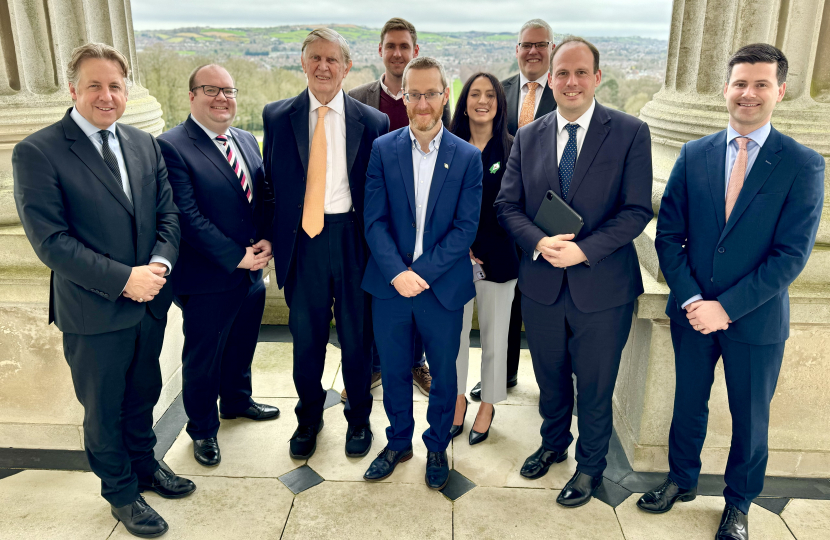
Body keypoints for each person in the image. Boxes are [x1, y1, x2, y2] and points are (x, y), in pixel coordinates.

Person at [640, 43, 824, 540]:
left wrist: (728, 308)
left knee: (750, 418)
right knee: (687, 405)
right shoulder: (693, 153)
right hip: (694, 312)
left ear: (780, 92)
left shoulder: (802, 164)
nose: (749, 93)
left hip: (755, 319)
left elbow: (791, 255)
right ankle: (680, 481)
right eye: (740, 83)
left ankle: (738, 504)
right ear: (726, 89)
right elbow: (669, 236)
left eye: (761, 84)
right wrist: (695, 300)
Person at [13, 43, 194, 538]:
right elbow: (52, 243)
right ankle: (119, 492)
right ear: (73, 90)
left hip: (150, 302)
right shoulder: (37, 151)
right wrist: (124, 279)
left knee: (144, 394)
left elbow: (169, 215)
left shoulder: (143, 143)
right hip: (94, 312)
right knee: (103, 406)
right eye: (94, 85)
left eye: (115, 85)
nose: (106, 95)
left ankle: (143, 466)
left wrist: (157, 265)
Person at [495, 36, 653, 507]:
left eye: (581, 72)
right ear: (550, 78)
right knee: (551, 376)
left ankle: (590, 467)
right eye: (562, 73)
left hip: (603, 288)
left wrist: (583, 251)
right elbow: (508, 205)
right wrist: (540, 242)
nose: (571, 81)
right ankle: (553, 443)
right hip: (543, 284)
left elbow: (635, 211)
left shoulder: (629, 132)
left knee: (597, 385)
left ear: (597, 78)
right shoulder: (529, 135)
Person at [262, 28, 389, 461]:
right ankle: (308, 417)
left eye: (332, 59)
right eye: (315, 58)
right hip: (303, 244)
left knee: (357, 340)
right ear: (303, 63)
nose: (323, 66)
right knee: (307, 340)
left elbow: (380, 193)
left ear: (347, 67)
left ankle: (358, 418)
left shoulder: (373, 122)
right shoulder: (277, 117)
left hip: (353, 242)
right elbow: (270, 188)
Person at [361, 56, 482, 490]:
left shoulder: (467, 157)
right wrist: (398, 273)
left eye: (432, 93)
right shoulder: (383, 148)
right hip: (390, 286)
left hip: (441, 288)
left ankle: (435, 446)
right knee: (393, 370)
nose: (423, 103)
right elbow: (372, 220)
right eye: (415, 94)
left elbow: (465, 227)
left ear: (445, 94)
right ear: (404, 96)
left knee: (444, 376)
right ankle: (398, 443)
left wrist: (422, 274)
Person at [157, 64, 278, 469]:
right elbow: (186, 216)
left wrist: (266, 239)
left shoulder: (245, 139)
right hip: (209, 276)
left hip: (251, 271)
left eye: (229, 90)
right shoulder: (172, 145)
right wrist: (236, 255)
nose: (222, 98)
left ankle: (238, 403)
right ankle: (203, 430)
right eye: (212, 90)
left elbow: (259, 197)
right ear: (192, 96)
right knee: (203, 358)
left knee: (242, 344)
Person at [346, 17, 448, 400]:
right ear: (381, 50)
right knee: (376, 294)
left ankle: (414, 362)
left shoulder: (432, 99)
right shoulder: (357, 98)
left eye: (405, 46)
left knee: (417, 286)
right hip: (369, 215)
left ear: (415, 51)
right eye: (391, 46)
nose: (397, 52)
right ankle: (375, 365)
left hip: (420, 219)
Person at [470, 18, 557, 401]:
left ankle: (553, 383)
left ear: (551, 49)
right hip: (498, 222)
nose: (533, 51)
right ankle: (500, 376)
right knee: (502, 307)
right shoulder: (497, 92)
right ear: (517, 50)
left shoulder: (566, 91)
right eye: (526, 45)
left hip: (546, 220)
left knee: (542, 306)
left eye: (541, 44)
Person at [448, 73, 517, 445]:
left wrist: (481, 243)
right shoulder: (449, 145)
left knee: (495, 337)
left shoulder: (514, 147)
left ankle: (487, 404)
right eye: (475, 93)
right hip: (455, 260)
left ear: (499, 102)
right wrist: (461, 244)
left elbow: (516, 206)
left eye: (490, 94)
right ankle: (457, 400)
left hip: (499, 258)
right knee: (454, 337)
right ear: (464, 101)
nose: (482, 100)